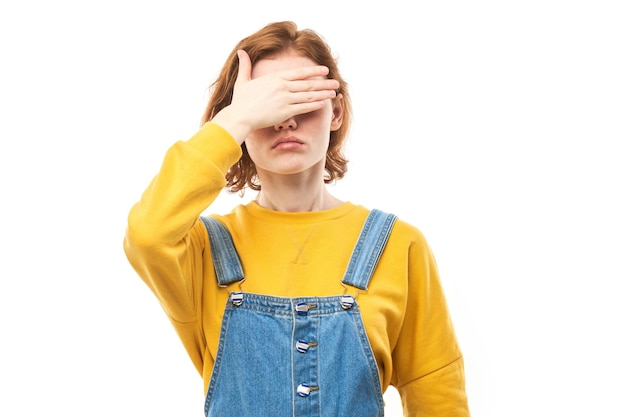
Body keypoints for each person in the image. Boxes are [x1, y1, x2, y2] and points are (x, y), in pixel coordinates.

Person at [123, 21, 470, 417]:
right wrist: (234, 121)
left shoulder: (397, 244)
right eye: (266, 103)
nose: (284, 120)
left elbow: (438, 397)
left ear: (335, 111)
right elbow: (146, 235)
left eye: (300, 97)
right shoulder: (201, 250)